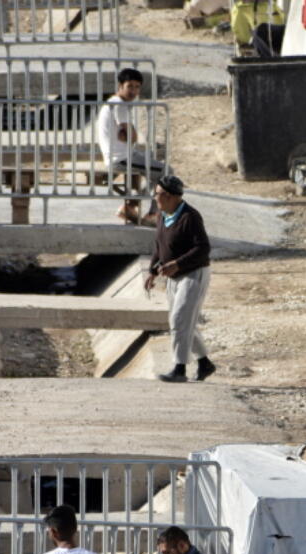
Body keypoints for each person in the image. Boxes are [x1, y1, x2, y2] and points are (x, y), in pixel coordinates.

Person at [146, 175, 217, 383]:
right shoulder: (162, 216)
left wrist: (177, 264)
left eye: (157, 194)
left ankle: (179, 369)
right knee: (184, 321)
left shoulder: (190, 216)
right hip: (173, 278)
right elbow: (159, 246)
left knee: (179, 320)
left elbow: (203, 249)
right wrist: (152, 270)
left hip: (193, 275)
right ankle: (205, 363)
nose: (155, 198)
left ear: (169, 196)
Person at [96, 67, 163, 225]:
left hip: (123, 155)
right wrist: (129, 135)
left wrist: (128, 135)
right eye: (130, 86)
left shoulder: (114, 102)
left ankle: (130, 207)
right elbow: (132, 137)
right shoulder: (120, 105)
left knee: (156, 174)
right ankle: (152, 214)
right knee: (166, 172)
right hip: (121, 158)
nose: (133, 91)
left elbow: (129, 136)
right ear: (120, 86)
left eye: (137, 87)